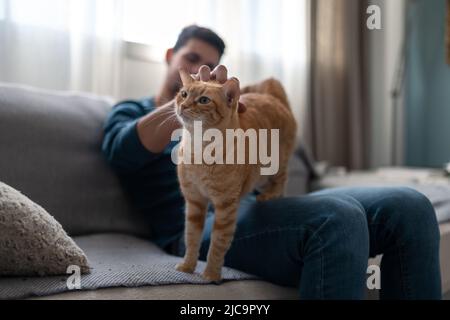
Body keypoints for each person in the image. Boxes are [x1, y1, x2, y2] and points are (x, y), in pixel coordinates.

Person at [102, 25, 442, 299]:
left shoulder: (224, 113)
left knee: (410, 205)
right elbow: (121, 152)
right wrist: (192, 102)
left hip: (254, 205)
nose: (195, 70)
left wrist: (231, 109)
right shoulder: (131, 110)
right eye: (190, 58)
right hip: (193, 228)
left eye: (206, 68)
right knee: (337, 219)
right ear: (169, 56)